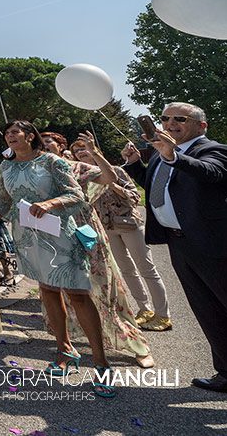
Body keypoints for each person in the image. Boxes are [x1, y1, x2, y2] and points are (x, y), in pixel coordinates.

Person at [0, 120, 117, 397]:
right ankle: (65, 351)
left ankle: (102, 363)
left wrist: (50, 203)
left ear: (30, 136)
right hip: (27, 235)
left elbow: (76, 195)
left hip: (58, 233)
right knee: (46, 290)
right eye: (7, 132)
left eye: (15, 132)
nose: (9, 136)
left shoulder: (53, 162)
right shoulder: (6, 166)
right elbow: (4, 197)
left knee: (78, 294)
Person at [122, 102, 227, 393]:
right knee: (207, 311)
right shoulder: (162, 154)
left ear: (201, 125)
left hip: (213, 244)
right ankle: (226, 373)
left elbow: (211, 174)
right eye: (166, 118)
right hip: (179, 244)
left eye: (180, 119)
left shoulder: (213, 150)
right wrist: (135, 165)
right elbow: (156, 185)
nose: (170, 124)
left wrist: (172, 155)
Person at [56, 132, 155, 368]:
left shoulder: (83, 169)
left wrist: (98, 156)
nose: (81, 152)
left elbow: (117, 184)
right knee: (72, 292)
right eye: (77, 148)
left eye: (84, 148)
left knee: (107, 286)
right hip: (61, 236)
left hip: (94, 232)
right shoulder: (48, 172)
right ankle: (74, 344)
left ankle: (135, 342)